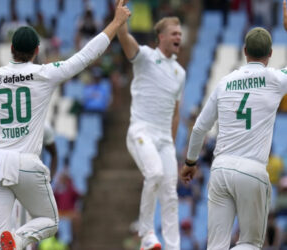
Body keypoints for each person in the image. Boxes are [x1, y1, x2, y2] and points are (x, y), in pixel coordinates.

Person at [0, 1, 131, 249]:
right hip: (26, 163)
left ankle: (7, 241)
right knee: (49, 221)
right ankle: (17, 239)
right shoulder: (45, 74)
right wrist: (116, 23)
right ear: (36, 50)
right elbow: (86, 55)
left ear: (11, 49)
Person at [180, 27, 287, 249]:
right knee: (250, 243)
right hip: (252, 170)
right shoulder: (276, 79)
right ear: (269, 54)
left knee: (216, 244)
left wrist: (190, 162)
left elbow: (199, 128)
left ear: (245, 51)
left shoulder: (225, 82)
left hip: (220, 169)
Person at [117, 15, 186, 250]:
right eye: (174, 33)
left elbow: (176, 114)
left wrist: (172, 145)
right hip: (141, 130)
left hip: (164, 139)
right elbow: (124, 37)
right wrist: (120, 15)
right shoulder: (145, 56)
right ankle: (146, 236)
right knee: (154, 173)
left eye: (180, 33)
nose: (179, 36)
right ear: (161, 37)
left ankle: (173, 246)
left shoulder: (180, 72)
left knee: (170, 195)